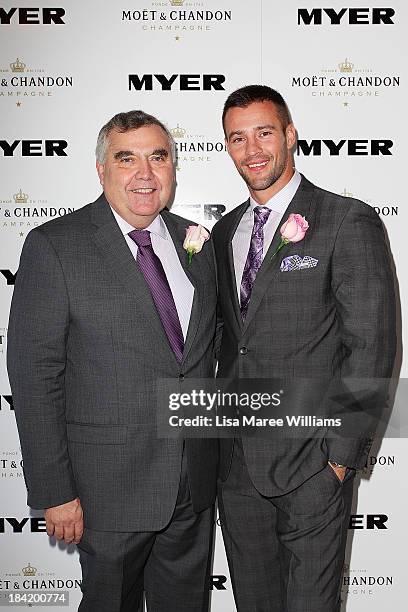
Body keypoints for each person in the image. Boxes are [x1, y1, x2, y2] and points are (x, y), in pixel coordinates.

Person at [7, 110, 218, 612]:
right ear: (101, 170)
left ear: (173, 168)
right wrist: (55, 490)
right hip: (107, 490)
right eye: (128, 159)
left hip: (192, 484)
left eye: (158, 157)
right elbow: (35, 377)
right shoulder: (55, 246)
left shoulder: (198, 242)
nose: (146, 174)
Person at [212, 85, 396, 612]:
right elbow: (232, 345)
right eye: (237, 138)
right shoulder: (224, 233)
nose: (252, 151)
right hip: (238, 466)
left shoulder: (345, 220)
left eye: (264, 133)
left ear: (290, 136)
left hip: (312, 464)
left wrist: (338, 458)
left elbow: (373, 346)